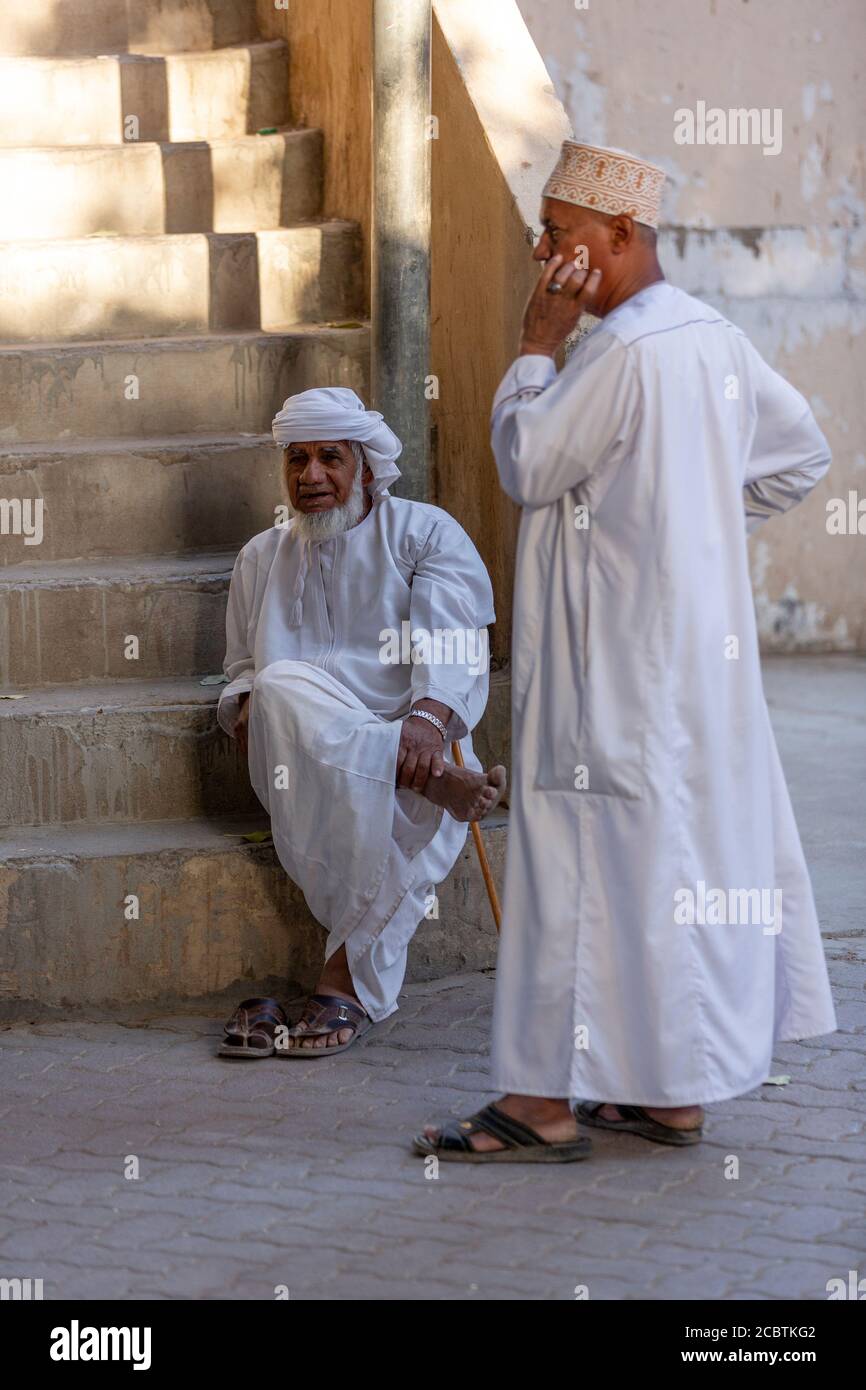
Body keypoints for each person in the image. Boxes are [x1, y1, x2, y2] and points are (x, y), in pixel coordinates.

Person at [414, 141, 836, 1163]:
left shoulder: (614, 351)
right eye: (540, 237)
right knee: (665, 860)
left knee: (578, 865)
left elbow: (525, 459)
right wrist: (689, 514)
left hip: (606, 668)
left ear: (621, 237)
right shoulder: (711, 339)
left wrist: (531, 345)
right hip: (689, 665)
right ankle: (670, 1094)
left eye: (559, 237)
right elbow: (797, 455)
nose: (545, 257)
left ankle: (540, 1101)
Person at [217, 387, 505, 1060]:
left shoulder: (425, 533)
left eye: (330, 458)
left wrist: (429, 725)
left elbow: (456, 647)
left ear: (367, 467)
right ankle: (427, 781)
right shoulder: (260, 557)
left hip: (416, 741)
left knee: (393, 805)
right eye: (297, 459)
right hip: (305, 752)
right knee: (277, 682)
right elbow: (237, 669)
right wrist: (246, 708)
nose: (311, 476)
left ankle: (341, 982)